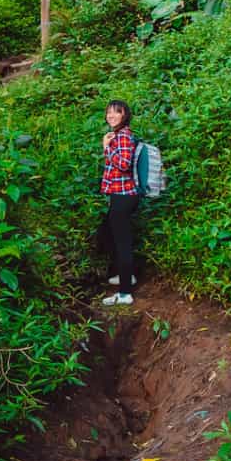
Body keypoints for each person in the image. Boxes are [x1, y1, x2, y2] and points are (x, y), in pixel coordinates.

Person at [99, 99, 141, 306]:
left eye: (116, 112)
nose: (111, 116)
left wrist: (107, 148)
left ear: (124, 115)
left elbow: (124, 164)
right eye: (108, 113)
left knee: (122, 243)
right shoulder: (118, 135)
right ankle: (127, 276)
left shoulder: (123, 136)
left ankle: (125, 293)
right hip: (120, 195)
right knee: (107, 233)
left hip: (124, 196)